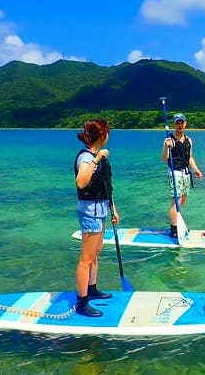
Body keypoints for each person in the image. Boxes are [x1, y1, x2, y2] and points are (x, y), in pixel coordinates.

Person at [73, 119, 119, 317]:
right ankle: (82, 302)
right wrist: (97, 159)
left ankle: (92, 288)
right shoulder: (86, 157)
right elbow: (81, 183)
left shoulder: (98, 155)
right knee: (86, 258)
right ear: (101, 136)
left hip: (101, 208)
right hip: (90, 209)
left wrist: (113, 208)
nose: (109, 136)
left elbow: (105, 185)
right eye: (107, 133)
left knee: (96, 252)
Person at [161, 113, 203, 237]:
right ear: (174, 124)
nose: (180, 125)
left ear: (185, 123)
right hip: (175, 173)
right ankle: (174, 230)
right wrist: (165, 146)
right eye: (177, 123)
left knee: (183, 200)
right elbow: (164, 158)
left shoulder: (189, 140)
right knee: (176, 202)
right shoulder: (169, 140)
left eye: (182, 122)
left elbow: (189, 157)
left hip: (185, 173)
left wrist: (196, 169)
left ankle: (177, 223)